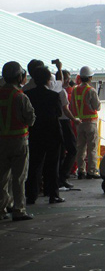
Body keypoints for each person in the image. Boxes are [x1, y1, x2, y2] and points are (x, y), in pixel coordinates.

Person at [24, 66, 65, 204]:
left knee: (35, 164)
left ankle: (31, 195)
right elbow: (59, 113)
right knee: (53, 164)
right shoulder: (53, 96)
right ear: (48, 80)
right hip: (52, 132)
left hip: (35, 132)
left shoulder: (28, 95)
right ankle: (53, 194)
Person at [0, 62, 35, 221]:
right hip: (19, 141)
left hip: (1, 142)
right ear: (19, 77)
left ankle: (2, 208)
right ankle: (18, 209)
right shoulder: (20, 96)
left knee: (2, 178)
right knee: (19, 178)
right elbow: (30, 119)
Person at [71, 66, 101, 179]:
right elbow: (97, 107)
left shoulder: (74, 90)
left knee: (81, 147)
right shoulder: (91, 90)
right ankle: (92, 171)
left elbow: (72, 105)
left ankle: (81, 170)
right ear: (89, 77)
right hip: (91, 122)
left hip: (79, 123)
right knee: (92, 147)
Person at [55, 67, 81, 188]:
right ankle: (63, 176)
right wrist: (74, 119)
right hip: (64, 122)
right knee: (73, 149)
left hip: (55, 123)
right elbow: (66, 109)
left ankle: (58, 177)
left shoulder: (53, 90)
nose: (68, 82)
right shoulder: (62, 92)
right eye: (67, 79)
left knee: (60, 151)